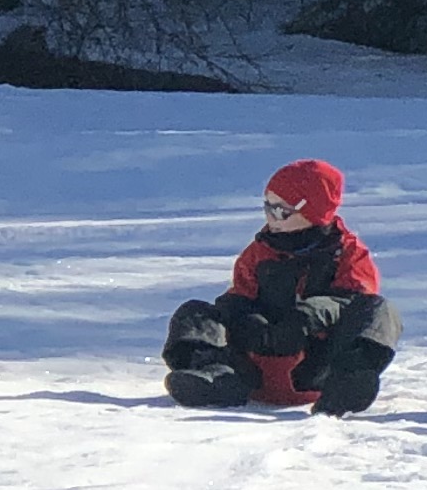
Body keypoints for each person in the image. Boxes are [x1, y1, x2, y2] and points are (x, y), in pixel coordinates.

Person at [161, 158, 400, 414]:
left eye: (281, 211)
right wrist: (247, 318)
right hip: (254, 369)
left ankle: (347, 383)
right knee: (195, 312)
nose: (271, 217)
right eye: (267, 207)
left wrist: (311, 315)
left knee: (379, 310)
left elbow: (354, 298)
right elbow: (239, 295)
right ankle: (215, 376)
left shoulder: (349, 254)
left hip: (313, 370)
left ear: (314, 211)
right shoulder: (259, 252)